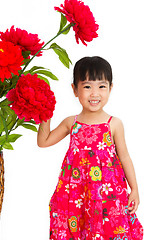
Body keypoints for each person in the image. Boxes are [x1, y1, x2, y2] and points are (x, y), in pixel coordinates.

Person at [37, 56, 143, 240]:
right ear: (74, 90)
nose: (95, 93)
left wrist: (134, 189)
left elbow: (124, 157)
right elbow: (44, 141)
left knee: (107, 230)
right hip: (74, 192)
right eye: (87, 86)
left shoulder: (114, 124)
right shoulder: (72, 123)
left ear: (111, 88)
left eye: (102, 86)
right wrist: (45, 112)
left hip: (106, 195)